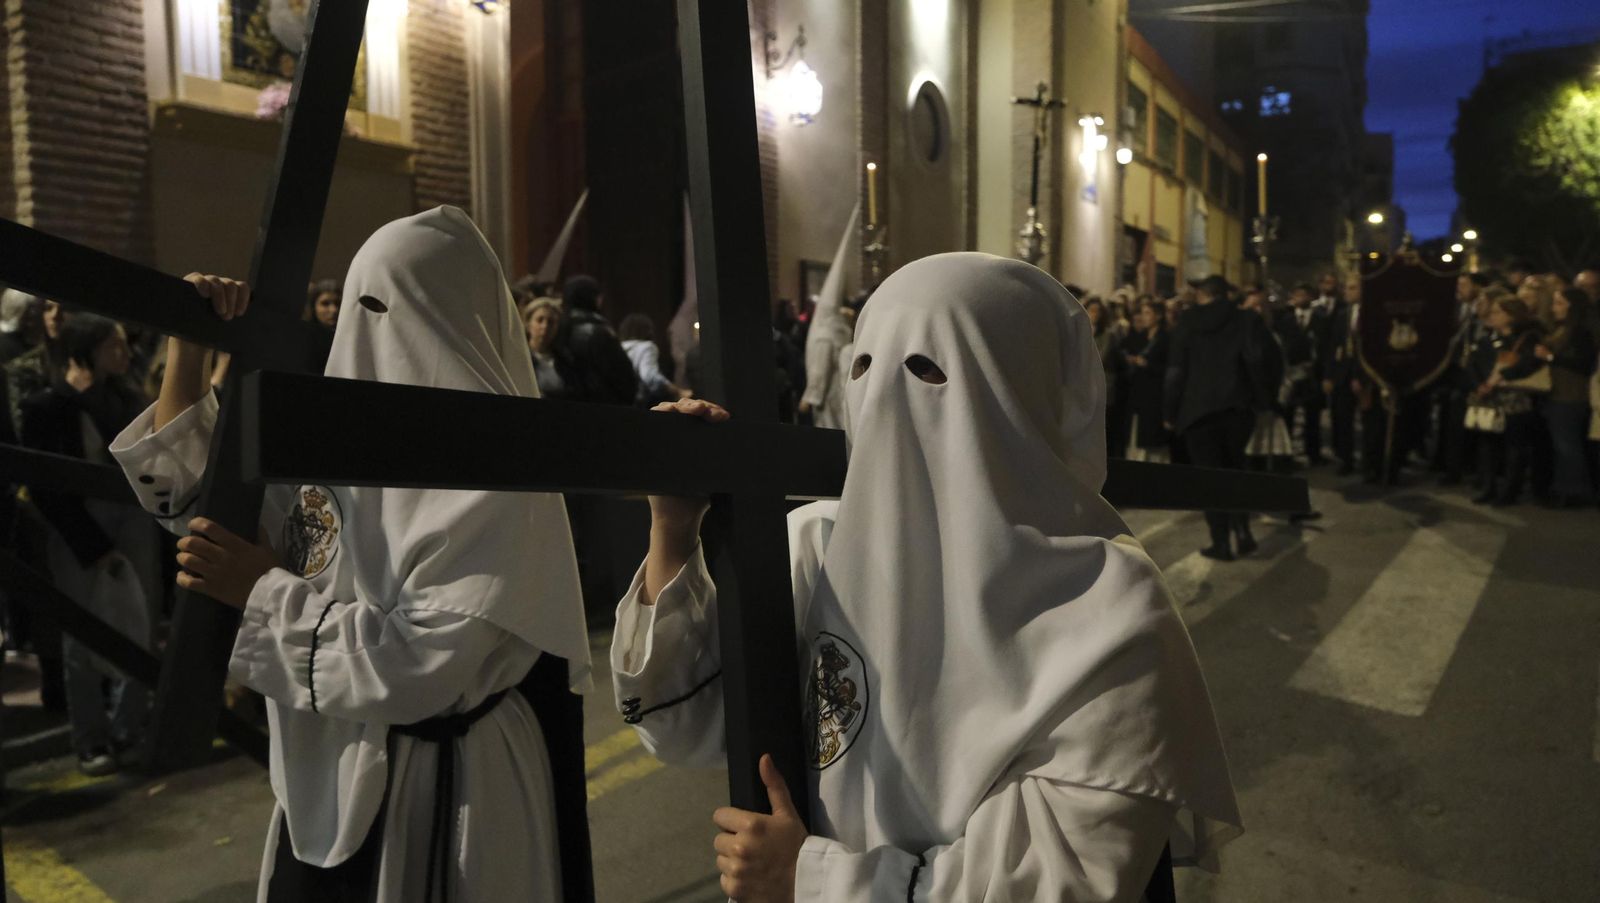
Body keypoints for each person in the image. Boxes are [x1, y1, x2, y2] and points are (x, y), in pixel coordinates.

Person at [616, 252, 1240, 902]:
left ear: (1020, 395)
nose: (887, 396)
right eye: (864, 367)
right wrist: (674, 531)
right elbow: (678, 726)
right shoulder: (812, 545)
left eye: (928, 370)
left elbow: (1062, 882)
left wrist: (812, 877)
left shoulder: (1110, 613)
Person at [109, 207, 592, 901]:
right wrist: (190, 348)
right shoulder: (347, 449)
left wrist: (260, 593)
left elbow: (420, 664)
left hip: (450, 796)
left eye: (386, 307)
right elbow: (227, 529)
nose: (368, 332)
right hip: (333, 758)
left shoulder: (502, 475)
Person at [18, 314, 159, 776]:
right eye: (114, 346)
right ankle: (91, 738)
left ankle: (127, 727)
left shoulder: (127, 397)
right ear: (89, 349)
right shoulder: (48, 403)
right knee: (81, 632)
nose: (125, 353)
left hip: (133, 519)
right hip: (78, 525)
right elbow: (45, 484)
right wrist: (90, 543)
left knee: (141, 621)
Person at [1165, 275, 1271, 560]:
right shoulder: (1246, 320)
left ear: (1202, 294)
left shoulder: (1188, 322)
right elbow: (1259, 360)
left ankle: (1221, 542)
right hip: (1237, 409)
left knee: (1210, 479)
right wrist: (1262, 402)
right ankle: (1243, 530)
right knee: (1236, 471)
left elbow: (1176, 370)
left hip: (1198, 411)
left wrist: (1170, 411)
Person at [1472, 296, 1546, 506]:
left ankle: (1509, 491)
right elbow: (1474, 362)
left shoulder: (1527, 338)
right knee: (1488, 444)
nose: (1492, 316)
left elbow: (1529, 364)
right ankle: (1488, 487)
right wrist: (1480, 383)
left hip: (1515, 398)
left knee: (1514, 445)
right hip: (1490, 396)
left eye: (1497, 312)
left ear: (1511, 316)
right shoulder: (1488, 337)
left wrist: (1502, 378)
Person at [1535, 289, 1597, 507]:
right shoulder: (1563, 329)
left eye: (1559, 303)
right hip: (1558, 392)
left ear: (1572, 306)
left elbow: (1583, 364)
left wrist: (1551, 357)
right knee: (1562, 444)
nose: (1554, 308)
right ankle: (1563, 488)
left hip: (1571, 395)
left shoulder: (1580, 332)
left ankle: (1574, 491)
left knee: (1567, 445)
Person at [560, 274, 640, 405]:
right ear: (594, 298)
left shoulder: (556, 328)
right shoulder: (599, 332)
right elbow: (623, 377)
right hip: (602, 405)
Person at [1276, 283, 1326, 466]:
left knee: (1312, 417)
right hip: (1291, 375)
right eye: (1297, 295)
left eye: (1304, 295)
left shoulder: (1321, 319)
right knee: (1288, 416)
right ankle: (1287, 455)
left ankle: (1314, 453)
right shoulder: (1285, 320)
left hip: (1313, 375)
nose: (1300, 298)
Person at [1120, 299, 1170, 462]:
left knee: (1152, 440)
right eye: (1143, 313)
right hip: (1138, 393)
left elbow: (1169, 367)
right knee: (1136, 436)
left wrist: (1148, 365)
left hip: (1155, 394)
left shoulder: (1166, 338)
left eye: (1148, 313)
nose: (1144, 317)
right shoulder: (1139, 337)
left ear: (1158, 316)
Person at [1322, 276, 1361, 476]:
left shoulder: (1371, 315)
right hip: (1342, 374)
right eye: (1346, 288)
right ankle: (1346, 457)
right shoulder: (1342, 315)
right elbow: (1333, 346)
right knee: (1342, 418)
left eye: (1353, 288)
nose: (1348, 292)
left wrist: (1360, 376)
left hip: (1362, 376)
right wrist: (1329, 375)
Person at [619, 313, 690, 406]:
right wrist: (677, 391)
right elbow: (650, 376)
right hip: (638, 404)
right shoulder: (647, 347)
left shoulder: (620, 347)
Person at [525, 296, 579, 400]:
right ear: (528, 324)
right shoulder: (519, 358)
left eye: (551, 322)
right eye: (539, 320)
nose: (545, 326)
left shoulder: (566, 360)